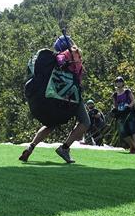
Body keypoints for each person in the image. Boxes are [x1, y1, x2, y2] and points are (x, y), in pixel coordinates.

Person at [19, 34, 90, 164]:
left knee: (51, 124)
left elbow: (60, 60)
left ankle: (31, 146)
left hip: (55, 96)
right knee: (85, 122)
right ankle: (65, 148)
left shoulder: (53, 61)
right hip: (71, 96)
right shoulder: (72, 52)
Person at [112, 76, 135, 154]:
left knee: (133, 129)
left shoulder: (127, 91)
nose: (119, 83)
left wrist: (129, 106)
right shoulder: (114, 95)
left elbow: (133, 101)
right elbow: (115, 105)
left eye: (120, 81)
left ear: (123, 83)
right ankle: (133, 146)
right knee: (122, 132)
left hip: (129, 112)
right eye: (117, 82)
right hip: (121, 114)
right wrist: (115, 110)